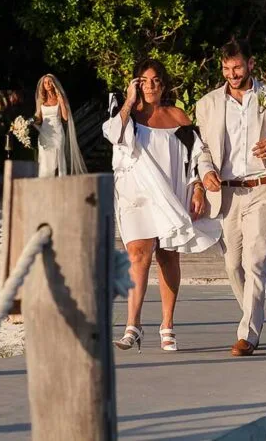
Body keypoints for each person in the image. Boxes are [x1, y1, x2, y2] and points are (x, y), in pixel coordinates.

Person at [103, 59, 221, 353]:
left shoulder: (177, 116)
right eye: (144, 81)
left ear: (164, 85)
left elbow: (197, 156)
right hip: (136, 195)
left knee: (168, 256)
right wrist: (129, 101)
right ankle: (133, 325)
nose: (151, 86)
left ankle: (167, 324)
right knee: (137, 254)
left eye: (156, 80)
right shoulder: (126, 116)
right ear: (136, 84)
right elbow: (114, 135)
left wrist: (198, 187)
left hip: (170, 191)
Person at [195, 40, 266, 357]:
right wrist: (206, 172)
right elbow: (203, 149)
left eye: (237, 67)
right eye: (226, 68)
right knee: (233, 266)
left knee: (255, 261)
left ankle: (248, 334)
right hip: (227, 192)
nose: (232, 74)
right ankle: (253, 315)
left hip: (262, 187)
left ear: (250, 64)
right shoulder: (207, 103)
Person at [33, 74, 87, 177]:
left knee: (58, 158)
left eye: (49, 82)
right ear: (43, 85)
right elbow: (39, 119)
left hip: (57, 132)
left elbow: (65, 117)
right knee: (45, 159)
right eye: (45, 83)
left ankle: (60, 180)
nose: (47, 84)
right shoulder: (41, 100)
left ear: (54, 83)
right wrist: (29, 122)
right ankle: (45, 182)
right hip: (44, 133)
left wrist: (61, 100)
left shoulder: (59, 98)